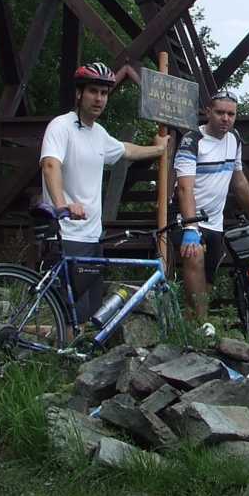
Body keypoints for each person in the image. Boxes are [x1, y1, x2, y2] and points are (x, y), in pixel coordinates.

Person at [39, 62, 168, 317]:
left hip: (92, 236)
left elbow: (125, 150)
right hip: (66, 234)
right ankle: (50, 351)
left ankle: (72, 355)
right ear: (79, 94)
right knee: (66, 312)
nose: (99, 98)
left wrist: (158, 149)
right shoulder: (60, 126)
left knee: (87, 313)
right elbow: (50, 166)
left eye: (104, 93)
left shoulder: (98, 134)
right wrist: (62, 205)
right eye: (93, 91)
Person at [172, 90, 249, 334]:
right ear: (208, 112)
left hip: (215, 223)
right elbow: (185, 188)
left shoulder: (234, 138)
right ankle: (201, 327)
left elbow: (239, 182)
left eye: (231, 114)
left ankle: (192, 334)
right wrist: (190, 227)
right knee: (193, 258)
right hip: (188, 220)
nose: (226, 118)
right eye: (220, 113)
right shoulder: (192, 140)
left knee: (205, 286)